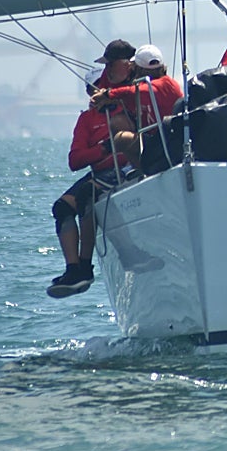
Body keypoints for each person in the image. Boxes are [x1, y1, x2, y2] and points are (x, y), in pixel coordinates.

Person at [47, 61, 136, 298]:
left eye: (100, 85)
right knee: (61, 208)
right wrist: (104, 149)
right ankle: (74, 269)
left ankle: (86, 266)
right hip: (100, 172)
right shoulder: (86, 119)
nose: (95, 91)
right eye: (91, 88)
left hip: (124, 168)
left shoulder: (127, 109)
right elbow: (75, 160)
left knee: (88, 195)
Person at [91, 44, 184, 167]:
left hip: (168, 140)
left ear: (139, 68)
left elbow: (142, 91)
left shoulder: (161, 84)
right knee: (117, 122)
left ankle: (144, 170)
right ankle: (141, 168)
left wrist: (108, 94)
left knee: (121, 139)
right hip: (158, 137)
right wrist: (112, 100)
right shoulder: (162, 84)